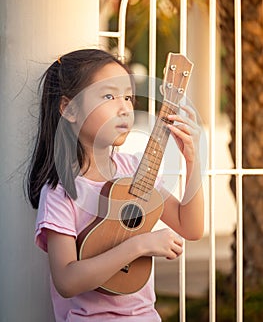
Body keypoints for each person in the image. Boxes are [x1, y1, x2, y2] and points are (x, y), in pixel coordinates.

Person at [27, 48, 204, 321]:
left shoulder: (135, 169)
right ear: (69, 108)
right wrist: (140, 246)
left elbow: (190, 227)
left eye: (128, 97)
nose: (124, 107)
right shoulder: (63, 191)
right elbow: (66, 280)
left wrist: (192, 160)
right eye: (109, 96)